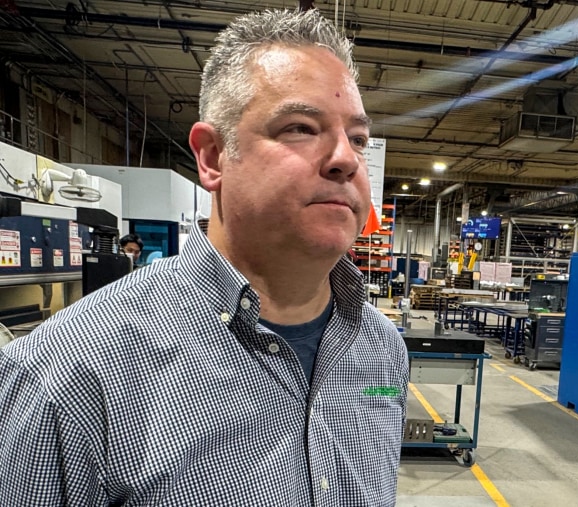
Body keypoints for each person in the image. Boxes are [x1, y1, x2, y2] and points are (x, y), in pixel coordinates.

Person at [0, 9, 408, 506]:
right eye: (301, 127)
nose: (346, 158)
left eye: (358, 138)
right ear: (213, 157)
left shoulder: (383, 350)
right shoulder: (71, 372)